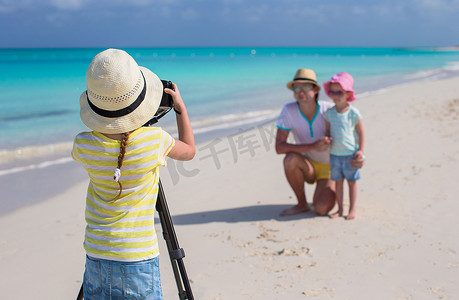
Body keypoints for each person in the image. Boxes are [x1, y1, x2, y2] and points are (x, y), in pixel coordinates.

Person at [72, 49, 195, 299]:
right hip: (136, 256)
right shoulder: (155, 141)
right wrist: (180, 108)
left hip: (96, 253)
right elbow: (189, 151)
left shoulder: (82, 144)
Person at [275, 68, 336, 216]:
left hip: (330, 168)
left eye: (306, 87)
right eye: (296, 87)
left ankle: (332, 189)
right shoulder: (288, 110)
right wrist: (312, 147)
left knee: (321, 209)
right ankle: (301, 204)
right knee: (290, 159)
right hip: (308, 165)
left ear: (315, 90)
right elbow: (279, 147)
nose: (300, 91)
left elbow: (347, 136)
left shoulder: (328, 109)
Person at [323, 72, 364, 220]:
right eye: (332, 92)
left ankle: (352, 210)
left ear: (348, 94)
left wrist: (360, 150)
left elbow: (360, 132)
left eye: (339, 92)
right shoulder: (329, 113)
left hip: (350, 155)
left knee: (352, 183)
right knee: (338, 184)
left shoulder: (353, 113)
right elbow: (327, 132)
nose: (335, 95)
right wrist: (326, 140)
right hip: (335, 155)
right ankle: (340, 209)